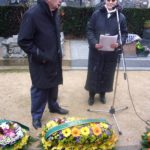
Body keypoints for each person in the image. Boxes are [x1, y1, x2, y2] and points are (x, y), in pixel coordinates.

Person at [18, 0, 69, 129]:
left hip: (54, 59)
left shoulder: (54, 13)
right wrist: (42, 56)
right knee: (39, 88)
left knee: (54, 84)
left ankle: (53, 106)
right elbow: (23, 41)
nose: (61, 1)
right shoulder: (32, 14)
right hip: (40, 61)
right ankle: (36, 116)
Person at [85, 0, 128, 105]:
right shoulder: (96, 14)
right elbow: (89, 30)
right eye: (108, 0)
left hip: (110, 53)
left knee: (107, 73)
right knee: (94, 72)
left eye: (113, 0)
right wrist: (94, 43)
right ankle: (91, 94)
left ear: (116, 1)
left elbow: (124, 34)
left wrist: (118, 43)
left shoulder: (120, 17)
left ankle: (103, 93)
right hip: (96, 51)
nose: (110, 2)